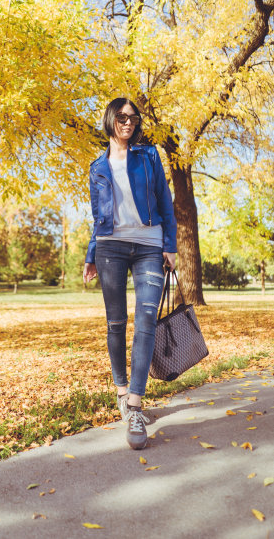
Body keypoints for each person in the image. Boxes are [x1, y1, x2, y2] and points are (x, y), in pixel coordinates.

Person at [83, 97, 177, 450]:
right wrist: (92, 254)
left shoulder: (149, 155)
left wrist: (171, 245)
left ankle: (135, 405)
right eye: (122, 117)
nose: (128, 123)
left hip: (150, 246)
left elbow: (164, 201)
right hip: (110, 247)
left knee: (147, 318)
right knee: (116, 322)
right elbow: (98, 218)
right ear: (110, 119)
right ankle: (122, 391)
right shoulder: (97, 167)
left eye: (134, 118)